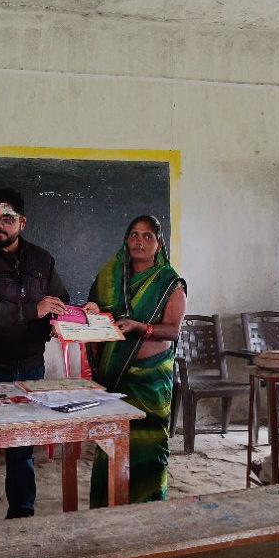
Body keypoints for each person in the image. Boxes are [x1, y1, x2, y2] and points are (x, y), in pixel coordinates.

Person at [0, 188, 69, 523]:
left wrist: (81, 314)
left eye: (6, 218)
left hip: (29, 368)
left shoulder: (42, 259)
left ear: (22, 222)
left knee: (23, 448)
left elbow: (59, 299)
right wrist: (33, 310)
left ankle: (22, 516)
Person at [83, 216, 186, 506]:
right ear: (126, 240)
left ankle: (147, 509)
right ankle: (108, 507)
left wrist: (140, 327)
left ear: (159, 243)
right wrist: (91, 310)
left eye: (148, 236)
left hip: (151, 381)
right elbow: (98, 311)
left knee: (148, 445)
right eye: (134, 235)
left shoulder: (169, 282)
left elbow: (173, 331)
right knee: (111, 442)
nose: (140, 241)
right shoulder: (110, 276)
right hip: (116, 377)